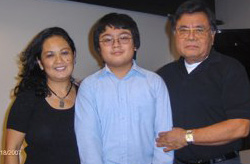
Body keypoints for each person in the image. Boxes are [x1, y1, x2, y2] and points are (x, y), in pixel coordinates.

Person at [156, 0, 250, 164]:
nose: (191, 36)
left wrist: (186, 136)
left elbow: (240, 126)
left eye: (199, 30)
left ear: (212, 35)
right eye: (183, 30)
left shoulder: (230, 69)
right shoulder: (163, 75)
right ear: (175, 35)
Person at [75, 13, 173, 164]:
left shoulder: (154, 83)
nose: (116, 44)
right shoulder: (89, 87)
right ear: (98, 48)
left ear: (135, 44)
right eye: (107, 39)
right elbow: (88, 142)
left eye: (124, 37)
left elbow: (164, 136)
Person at [5, 27, 80, 164]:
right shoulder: (27, 99)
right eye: (50, 55)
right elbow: (11, 149)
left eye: (64, 53)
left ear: (73, 56)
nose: (59, 60)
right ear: (40, 63)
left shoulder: (87, 95)